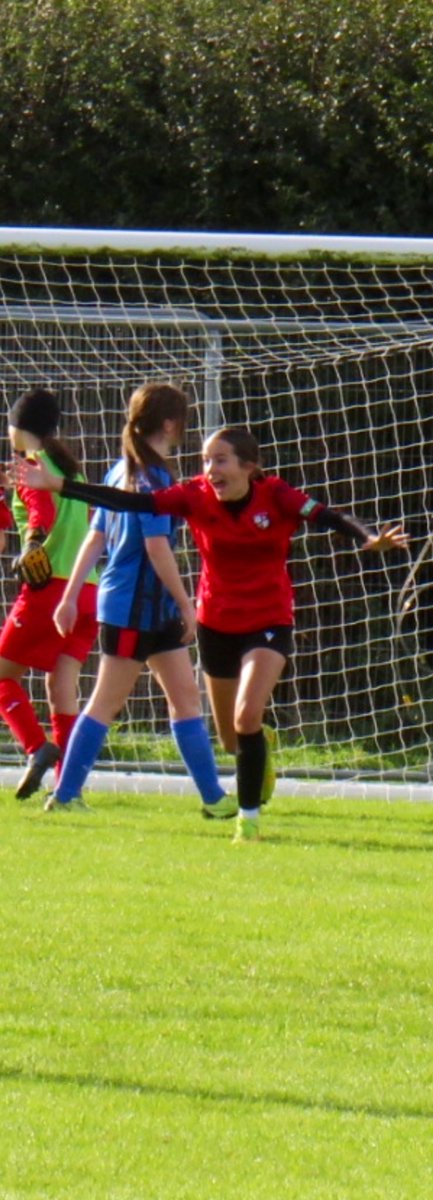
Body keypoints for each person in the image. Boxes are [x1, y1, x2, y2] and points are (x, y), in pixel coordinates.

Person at [15, 424, 409, 841]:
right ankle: (256, 748)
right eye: (205, 460)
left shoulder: (275, 494)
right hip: (216, 623)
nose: (210, 469)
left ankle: (248, 820)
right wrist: (58, 485)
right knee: (230, 736)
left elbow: (329, 515)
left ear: (249, 467)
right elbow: (130, 501)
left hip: (269, 620)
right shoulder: (195, 495)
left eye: (220, 460)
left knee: (246, 714)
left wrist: (368, 537)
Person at [23, 382, 235, 819]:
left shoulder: (122, 470)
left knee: (186, 700)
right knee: (105, 701)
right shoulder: (149, 477)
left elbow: (96, 536)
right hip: (133, 610)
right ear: (172, 424)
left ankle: (214, 799)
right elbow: (156, 549)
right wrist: (186, 602)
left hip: (148, 610)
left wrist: (69, 596)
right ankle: (64, 796)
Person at [0, 386, 98, 799]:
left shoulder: (32, 466)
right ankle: (67, 788)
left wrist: (33, 543)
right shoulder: (69, 468)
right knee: (62, 687)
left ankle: (38, 749)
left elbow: (41, 512)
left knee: (1, 679)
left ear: (15, 426)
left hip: (50, 591)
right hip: (87, 590)